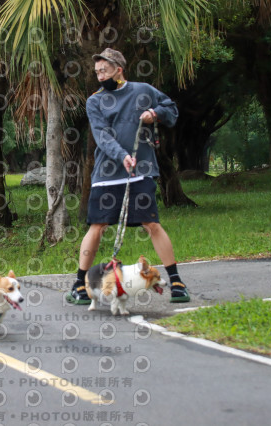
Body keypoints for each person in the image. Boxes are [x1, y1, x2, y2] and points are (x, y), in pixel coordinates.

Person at [66, 48, 191, 305]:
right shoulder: (95, 101)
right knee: (97, 226)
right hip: (107, 174)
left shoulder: (143, 91)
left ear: (119, 70)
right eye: (97, 72)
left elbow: (171, 109)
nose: (100, 76)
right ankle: (79, 284)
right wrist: (122, 155)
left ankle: (176, 281)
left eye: (105, 70)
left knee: (152, 224)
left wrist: (154, 113)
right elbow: (101, 135)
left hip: (141, 171)